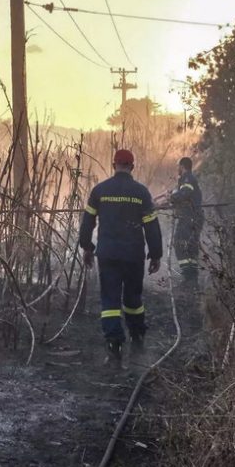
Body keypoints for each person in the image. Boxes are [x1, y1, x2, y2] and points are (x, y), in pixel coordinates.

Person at [78, 149, 162, 368]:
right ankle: (137, 339)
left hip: (108, 255)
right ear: (132, 167)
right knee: (133, 299)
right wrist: (155, 254)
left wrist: (87, 247)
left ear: (113, 164)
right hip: (133, 255)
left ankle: (114, 347)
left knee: (110, 301)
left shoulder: (100, 191)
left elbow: (87, 223)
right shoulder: (141, 193)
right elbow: (151, 225)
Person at [167, 156, 204, 284]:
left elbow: (184, 194)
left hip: (189, 217)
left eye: (178, 166)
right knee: (191, 246)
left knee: (179, 243)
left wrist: (171, 197)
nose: (177, 169)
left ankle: (188, 276)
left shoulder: (187, 178)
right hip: (194, 217)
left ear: (182, 167)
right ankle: (192, 278)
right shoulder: (187, 179)